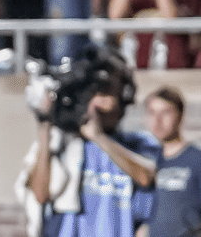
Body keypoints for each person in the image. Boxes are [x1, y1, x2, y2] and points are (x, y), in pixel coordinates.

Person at [17, 45, 159, 237]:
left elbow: (146, 177)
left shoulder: (137, 144)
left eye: (106, 91)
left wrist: (99, 137)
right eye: (93, 92)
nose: (98, 102)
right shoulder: (63, 143)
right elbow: (41, 195)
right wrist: (45, 125)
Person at [144, 86, 201, 237]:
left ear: (181, 115)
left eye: (166, 112)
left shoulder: (200, 159)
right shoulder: (146, 161)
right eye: (152, 113)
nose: (158, 120)